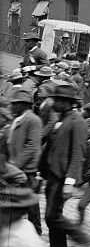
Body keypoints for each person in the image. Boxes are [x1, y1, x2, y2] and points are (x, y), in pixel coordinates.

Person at [37, 81, 90, 247]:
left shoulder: (77, 122)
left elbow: (78, 154)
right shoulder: (59, 119)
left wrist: (70, 182)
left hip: (62, 178)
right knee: (52, 216)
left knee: (52, 216)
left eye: (59, 100)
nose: (55, 103)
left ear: (69, 102)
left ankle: (82, 237)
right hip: (51, 175)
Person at [5, 86, 43, 236]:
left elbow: (32, 145)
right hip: (15, 169)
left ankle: (37, 234)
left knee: (31, 206)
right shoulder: (17, 120)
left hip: (27, 170)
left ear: (23, 104)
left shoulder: (33, 120)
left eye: (15, 103)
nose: (12, 106)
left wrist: (15, 165)